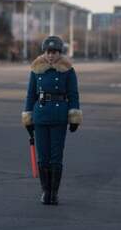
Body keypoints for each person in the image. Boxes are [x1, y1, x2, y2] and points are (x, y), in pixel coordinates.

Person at [21, 35, 82, 205]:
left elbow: (73, 94)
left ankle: (54, 193)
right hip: (40, 116)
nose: (51, 55)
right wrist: (28, 117)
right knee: (43, 157)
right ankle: (45, 191)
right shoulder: (36, 69)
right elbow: (30, 94)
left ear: (59, 53)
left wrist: (74, 117)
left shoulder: (67, 70)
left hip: (59, 117)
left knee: (56, 156)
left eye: (54, 52)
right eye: (48, 52)